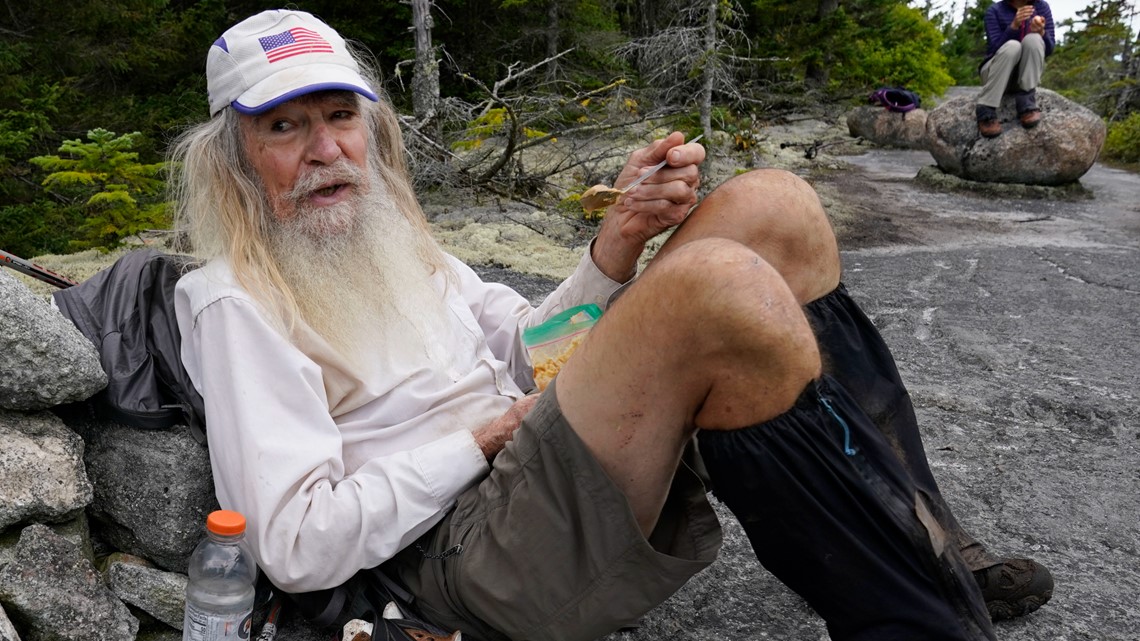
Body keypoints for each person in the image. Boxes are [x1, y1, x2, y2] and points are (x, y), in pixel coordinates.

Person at [171, 9, 1046, 641]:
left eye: (339, 117)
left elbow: (527, 348)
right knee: (713, 285)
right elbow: (293, 545)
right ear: (235, 164)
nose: (325, 150)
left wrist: (619, 239)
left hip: (531, 466)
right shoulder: (235, 300)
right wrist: (483, 439)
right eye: (284, 127)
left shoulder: (387, 238)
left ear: (371, 128)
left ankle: (932, 542)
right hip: (460, 560)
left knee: (775, 207)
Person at [977, 0, 1056, 137]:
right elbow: (993, 49)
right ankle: (986, 109)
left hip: (1022, 78)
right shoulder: (994, 11)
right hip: (995, 75)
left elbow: (1049, 50)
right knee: (1013, 46)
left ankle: (1026, 103)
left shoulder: (1041, 7)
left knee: (1034, 39)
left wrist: (1042, 32)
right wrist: (1014, 26)